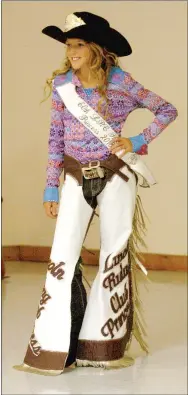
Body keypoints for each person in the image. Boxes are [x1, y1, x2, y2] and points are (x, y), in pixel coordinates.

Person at [14, 11, 178, 376]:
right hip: (74, 173)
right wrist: (49, 186)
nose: (71, 52)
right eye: (69, 45)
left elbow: (167, 110)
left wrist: (136, 140)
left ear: (97, 49)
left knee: (113, 254)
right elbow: (55, 138)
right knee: (62, 255)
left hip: (116, 174)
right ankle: (52, 349)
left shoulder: (122, 82)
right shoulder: (62, 87)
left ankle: (102, 347)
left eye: (78, 45)